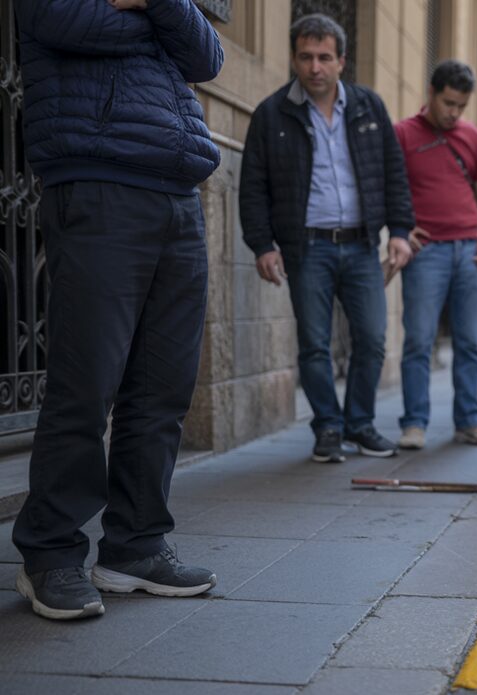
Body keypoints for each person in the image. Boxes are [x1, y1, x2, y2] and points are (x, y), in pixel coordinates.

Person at [11, 0, 223, 620]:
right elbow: (66, 23)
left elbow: (205, 55)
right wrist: (157, 20)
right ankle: (49, 553)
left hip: (178, 196)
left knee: (163, 390)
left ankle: (135, 546)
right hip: (99, 184)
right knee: (86, 385)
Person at [240, 14, 415, 463]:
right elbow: (253, 185)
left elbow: (393, 173)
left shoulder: (369, 106)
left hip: (361, 246)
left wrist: (399, 232)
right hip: (308, 248)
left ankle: (359, 424)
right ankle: (328, 428)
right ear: (294, 60)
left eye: (324, 57)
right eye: (305, 57)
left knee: (373, 339)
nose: (314, 67)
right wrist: (262, 244)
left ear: (341, 60)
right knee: (315, 344)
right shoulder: (271, 114)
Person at [393, 60, 477, 449]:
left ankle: (469, 421)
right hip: (427, 253)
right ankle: (414, 424)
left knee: (471, 341)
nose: (454, 113)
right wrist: (402, 230)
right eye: (449, 103)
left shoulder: (473, 137)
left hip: (472, 250)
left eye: (461, 106)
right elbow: (392, 189)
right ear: (432, 93)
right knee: (419, 341)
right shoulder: (403, 134)